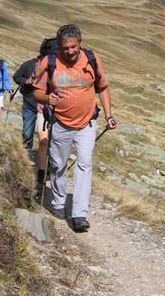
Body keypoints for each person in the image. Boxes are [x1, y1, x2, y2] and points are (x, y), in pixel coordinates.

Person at [33, 24, 116, 232]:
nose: (70, 51)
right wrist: (47, 98)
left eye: (73, 47)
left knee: (84, 164)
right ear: (60, 46)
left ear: (80, 43)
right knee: (58, 165)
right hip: (60, 123)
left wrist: (109, 115)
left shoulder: (92, 59)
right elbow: (37, 92)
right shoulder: (50, 61)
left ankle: (80, 214)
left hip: (87, 123)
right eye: (65, 48)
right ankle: (58, 201)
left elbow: (103, 87)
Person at [13, 38, 57, 191]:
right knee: (27, 133)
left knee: (44, 139)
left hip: (45, 108)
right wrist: (26, 81)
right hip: (29, 105)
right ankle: (24, 159)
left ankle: (42, 167)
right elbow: (16, 77)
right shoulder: (28, 65)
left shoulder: (53, 69)